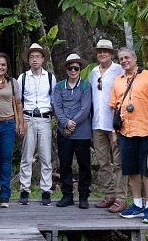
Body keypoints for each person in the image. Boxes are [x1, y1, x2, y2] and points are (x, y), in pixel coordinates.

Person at [110, 47, 148, 225]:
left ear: (135, 58)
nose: (124, 61)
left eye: (127, 57)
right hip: (126, 131)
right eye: (121, 59)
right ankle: (137, 204)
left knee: (147, 170)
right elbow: (114, 107)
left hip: (146, 130)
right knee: (131, 170)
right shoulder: (118, 81)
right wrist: (114, 131)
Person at [18, 42, 57, 206]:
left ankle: (46, 190)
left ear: (43, 59)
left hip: (44, 118)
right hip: (28, 118)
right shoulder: (23, 77)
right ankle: (24, 189)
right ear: (28, 60)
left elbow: (54, 99)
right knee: (27, 155)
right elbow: (18, 100)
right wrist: (20, 122)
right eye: (32, 57)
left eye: (37, 57)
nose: (35, 59)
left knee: (46, 156)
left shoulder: (50, 77)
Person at [90, 38, 126, 213]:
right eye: (99, 51)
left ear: (112, 54)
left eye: (106, 51)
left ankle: (121, 198)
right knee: (103, 162)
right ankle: (110, 194)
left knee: (118, 162)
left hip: (115, 124)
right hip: (97, 123)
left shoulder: (119, 70)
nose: (102, 54)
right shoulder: (93, 72)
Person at [52, 53, 92, 209]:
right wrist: (65, 123)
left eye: (76, 67)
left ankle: (83, 196)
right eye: (70, 67)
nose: (73, 70)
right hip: (64, 132)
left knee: (84, 165)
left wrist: (72, 123)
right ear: (66, 69)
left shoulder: (86, 86)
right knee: (65, 164)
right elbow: (57, 106)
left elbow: (85, 107)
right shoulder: (59, 86)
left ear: (80, 69)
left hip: (82, 132)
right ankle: (67, 195)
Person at [0, 53, 24, 208]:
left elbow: (18, 104)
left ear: (7, 67)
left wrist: (20, 123)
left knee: (6, 160)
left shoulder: (13, 83)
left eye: (3, 65)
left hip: (8, 123)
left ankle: (5, 196)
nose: (0, 67)